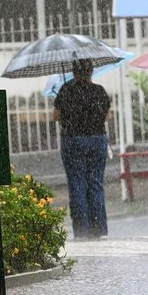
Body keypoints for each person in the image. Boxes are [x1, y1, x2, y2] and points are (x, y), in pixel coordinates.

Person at [52, 59, 111, 240]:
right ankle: (98, 228)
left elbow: (55, 116)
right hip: (97, 139)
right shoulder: (99, 91)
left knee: (77, 184)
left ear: (73, 72)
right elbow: (106, 117)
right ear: (91, 71)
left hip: (73, 140)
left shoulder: (65, 90)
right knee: (95, 183)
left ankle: (82, 230)